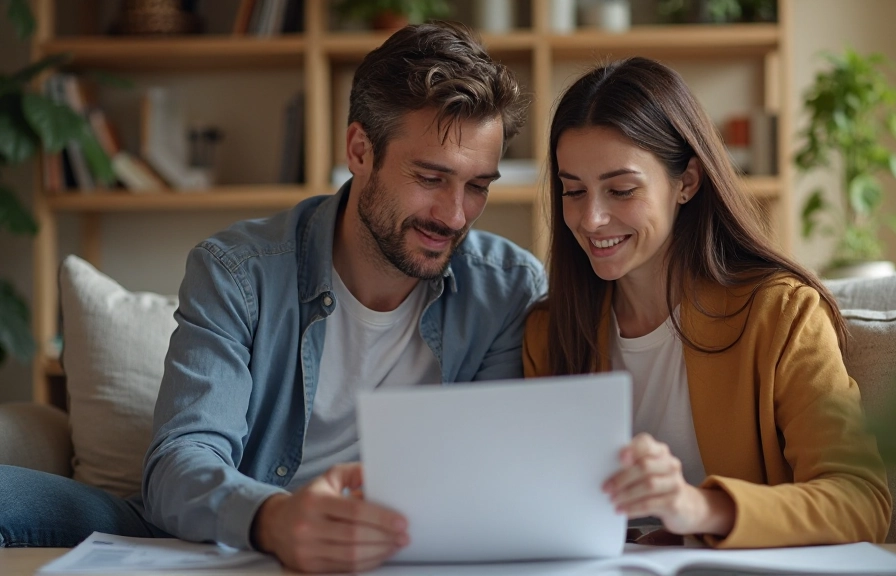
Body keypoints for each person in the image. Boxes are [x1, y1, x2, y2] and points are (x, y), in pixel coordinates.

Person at [0, 22, 545, 574]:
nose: (455, 216)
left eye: (478, 186)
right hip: (229, 538)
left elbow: (490, 476)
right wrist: (277, 520)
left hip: (408, 551)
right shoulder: (238, 272)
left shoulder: (506, 290)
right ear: (360, 149)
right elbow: (178, 466)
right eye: (431, 177)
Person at [523, 57, 891, 548]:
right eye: (574, 191)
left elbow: (860, 499)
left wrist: (696, 507)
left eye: (621, 190)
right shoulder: (548, 333)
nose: (591, 219)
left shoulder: (781, 315)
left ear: (687, 182)